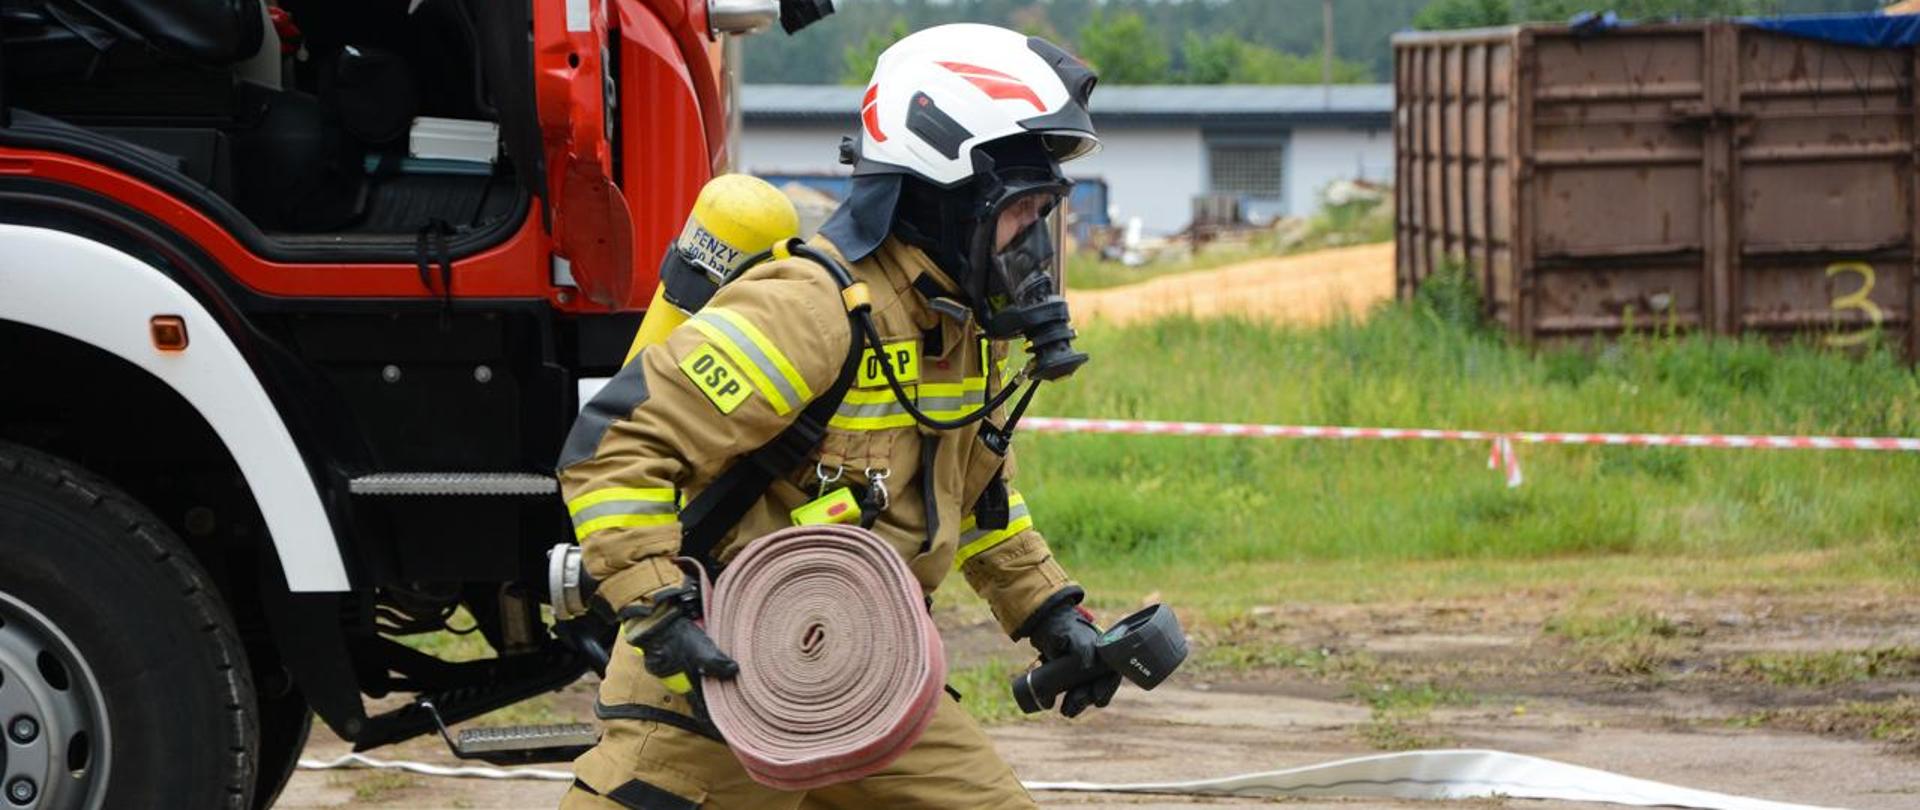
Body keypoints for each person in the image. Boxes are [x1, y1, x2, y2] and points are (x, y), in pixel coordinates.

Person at [557, 22, 1113, 809]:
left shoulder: (959, 328)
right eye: (1023, 212)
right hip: (719, 688)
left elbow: (981, 501)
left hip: (868, 677)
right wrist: (656, 605)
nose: (1035, 245)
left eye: (1042, 213)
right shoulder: (811, 310)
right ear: (947, 198)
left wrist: (1050, 613)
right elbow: (616, 442)